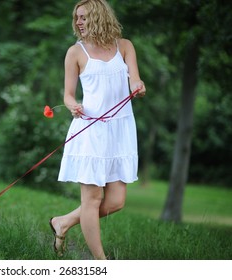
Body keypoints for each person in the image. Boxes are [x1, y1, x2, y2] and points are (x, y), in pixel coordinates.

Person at [49, 0, 146, 260]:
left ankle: (64, 222)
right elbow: (68, 95)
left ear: (99, 17)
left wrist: (137, 85)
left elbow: (134, 78)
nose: (78, 22)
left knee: (116, 202)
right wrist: (73, 106)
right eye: (76, 18)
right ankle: (101, 264)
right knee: (91, 199)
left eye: (83, 17)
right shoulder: (75, 52)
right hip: (90, 128)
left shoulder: (124, 46)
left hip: (121, 129)